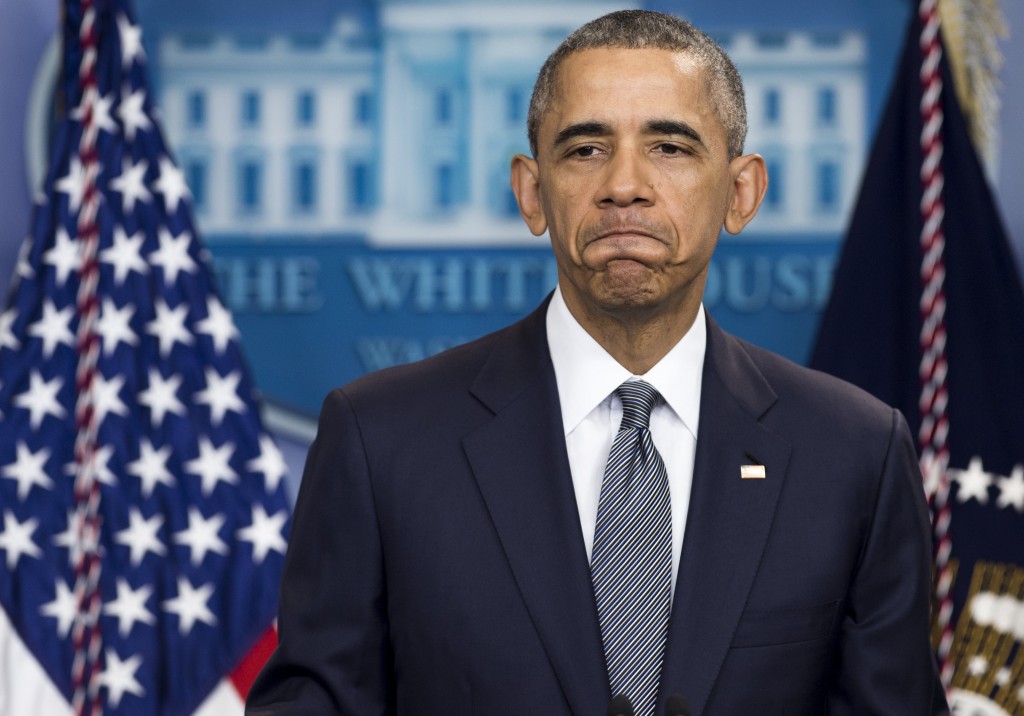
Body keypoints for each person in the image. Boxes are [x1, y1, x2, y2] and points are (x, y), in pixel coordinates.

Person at [247, 10, 948, 715]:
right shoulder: (380, 440)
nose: (624, 185)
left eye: (670, 147)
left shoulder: (854, 453)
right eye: (585, 149)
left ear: (741, 193)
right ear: (531, 191)